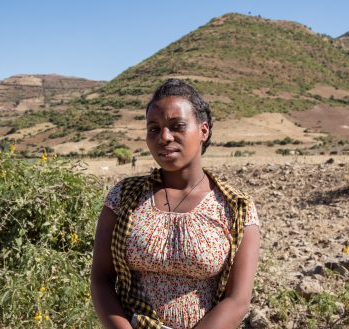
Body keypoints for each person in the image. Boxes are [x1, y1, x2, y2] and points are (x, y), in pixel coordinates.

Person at [91, 79, 260, 329]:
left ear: (204, 131)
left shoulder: (236, 207)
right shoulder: (124, 196)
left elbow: (237, 300)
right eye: (154, 129)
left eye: (177, 126)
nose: (164, 137)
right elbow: (101, 280)